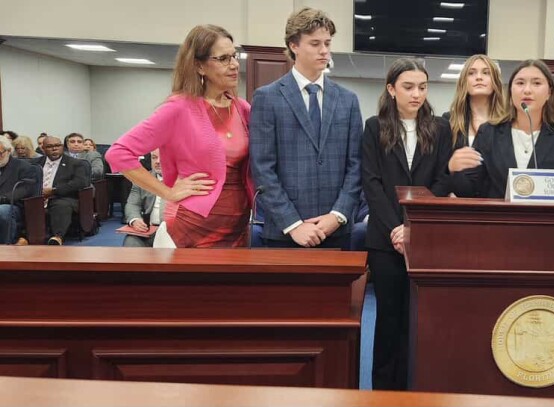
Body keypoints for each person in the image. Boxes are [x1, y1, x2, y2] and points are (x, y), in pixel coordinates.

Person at [107, 24, 254, 248]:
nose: (234, 65)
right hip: (194, 225)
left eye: (235, 56)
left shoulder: (242, 108)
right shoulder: (179, 108)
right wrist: (167, 192)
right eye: (223, 58)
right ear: (199, 66)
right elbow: (118, 154)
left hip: (237, 225)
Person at [361, 58, 452, 390]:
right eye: (409, 87)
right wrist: (397, 229)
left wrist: (415, 227)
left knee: (420, 321)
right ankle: (383, 390)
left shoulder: (440, 129)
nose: (417, 94)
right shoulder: (374, 127)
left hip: (426, 237)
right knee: (388, 318)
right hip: (386, 241)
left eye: (423, 87)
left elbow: (443, 180)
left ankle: (416, 387)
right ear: (391, 89)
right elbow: (371, 183)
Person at [250, 8, 362, 249]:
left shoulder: (348, 100)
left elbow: (356, 165)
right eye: (315, 43)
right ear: (294, 46)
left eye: (327, 43)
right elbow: (262, 168)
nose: (324, 51)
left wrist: (337, 215)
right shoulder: (267, 98)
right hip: (285, 233)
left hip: (336, 231)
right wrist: (293, 224)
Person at [450, 59, 554, 198]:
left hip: (545, 218)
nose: (527, 90)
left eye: (536, 83)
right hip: (497, 217)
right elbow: (468, 190)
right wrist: (455, 170)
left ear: (549, 92)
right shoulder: (489, 132)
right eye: (520, 83)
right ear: (511, 91)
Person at [443, 54, 506, 175]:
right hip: (458, 192)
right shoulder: (448, 120)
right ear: (463, 82)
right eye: (471, 73)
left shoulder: (508, 122)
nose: (478, 77)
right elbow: (438, 170)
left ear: (495, 81)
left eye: (486, 73)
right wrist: (449, 167)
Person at [34, 136, 90, 245]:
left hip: (64, 197)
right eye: (50, 146)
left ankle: (57, 236)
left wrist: (54, 191)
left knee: (60, 205)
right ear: (43, 149)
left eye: (57, 146)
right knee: (24, 203)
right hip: (37, 196)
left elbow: (79, 183)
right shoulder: (35, 163)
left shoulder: (76, 163)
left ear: (62, 147)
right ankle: (25, 236)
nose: (54, 149)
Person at [123, 151, 165, 247]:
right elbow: (133, 204)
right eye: (154, 157)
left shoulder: (184, 180)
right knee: (131, 242)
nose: (157, 161)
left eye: (162, 157)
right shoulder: (142, 179)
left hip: (174, 231)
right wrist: (135, 219)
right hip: (149, 229)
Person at [0, 137, 35, 245]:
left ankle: (6, 246)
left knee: (2, 210)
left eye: (0, 153)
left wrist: (3, 198)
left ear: (9, 151)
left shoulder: (23, 166)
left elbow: (25, 189)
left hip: (14, 205)